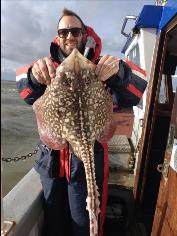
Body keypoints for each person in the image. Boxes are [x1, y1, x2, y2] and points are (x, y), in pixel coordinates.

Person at [16, 8, 147, 236]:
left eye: (75, 31)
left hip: (87, 159)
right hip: (52, 163)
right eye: (63, 32)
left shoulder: (101, 66)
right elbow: (26, 94)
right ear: (57, 36)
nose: (69, 36)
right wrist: (33, 77)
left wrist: (120, 73)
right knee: (55, 222)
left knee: (85, 223)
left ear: (84, 34)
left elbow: (137, 89)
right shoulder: (46, 67)